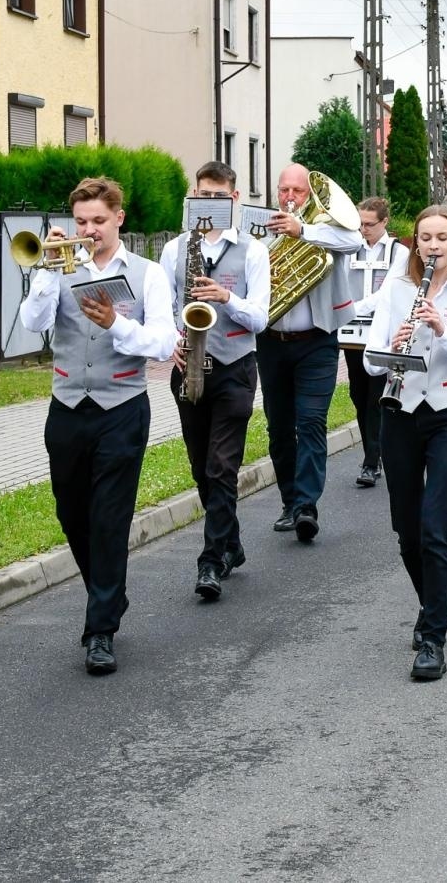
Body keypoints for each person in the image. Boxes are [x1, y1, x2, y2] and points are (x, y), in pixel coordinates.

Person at [19, 176, 177, 675]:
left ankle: (100, 630)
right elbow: (31, 324)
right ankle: (109, 596)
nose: (89, 231)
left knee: (110, 519)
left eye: (98, 222)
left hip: (123, 408)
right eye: (81, 222)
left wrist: (116, 325)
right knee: (71, 513)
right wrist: (46, 271)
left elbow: (163, 343)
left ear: (119, 220)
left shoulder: (148, 274)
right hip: (67, 404)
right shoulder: (61, 268)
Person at [364, 205, 447, 681]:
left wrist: (443, 331)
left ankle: (433, 639)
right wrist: (394, 348)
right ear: (415, 243)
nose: (433, 246)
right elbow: (372, 364)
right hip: (399, 414)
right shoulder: (395, 290)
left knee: (437, 527)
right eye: (425, 238)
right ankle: (429, 603)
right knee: (407, 530)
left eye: (442, 237)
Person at [159, 161, 271, 603]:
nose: (211, 203)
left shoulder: (253, 250)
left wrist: (226, 297)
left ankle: (210, 561)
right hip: (188, 365)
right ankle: (232, 542)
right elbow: (163, 306)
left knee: (221, 465)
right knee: (200, 467)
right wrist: (172, 340)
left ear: (235, 199)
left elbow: (260, 317)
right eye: (203, 196)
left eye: (219, 197)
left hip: (236, 366)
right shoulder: (175, 249)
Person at [260, 163, 363, 543]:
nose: (289, 197)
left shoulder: (327, 227)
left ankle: (307, 505)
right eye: (283, 190)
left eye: (297, 191)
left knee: (311, 422)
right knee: (279, 427)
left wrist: (302, 230)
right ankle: (290, 501)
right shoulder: (261, 228)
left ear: (310, 194)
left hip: (317, 340)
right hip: (270, 342)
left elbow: (354, 241)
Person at [347, 197, 410, 488]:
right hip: (351, 334)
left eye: (369, 224)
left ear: (385, 222)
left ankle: (372, 461)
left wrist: (349, 308)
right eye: (360, 224)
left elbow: (388, 293)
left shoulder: (399, 252)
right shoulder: (351, 248)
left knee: (376, 396)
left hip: (383, 332)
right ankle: (373, 452)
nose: (363, 230)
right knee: (359, 396)